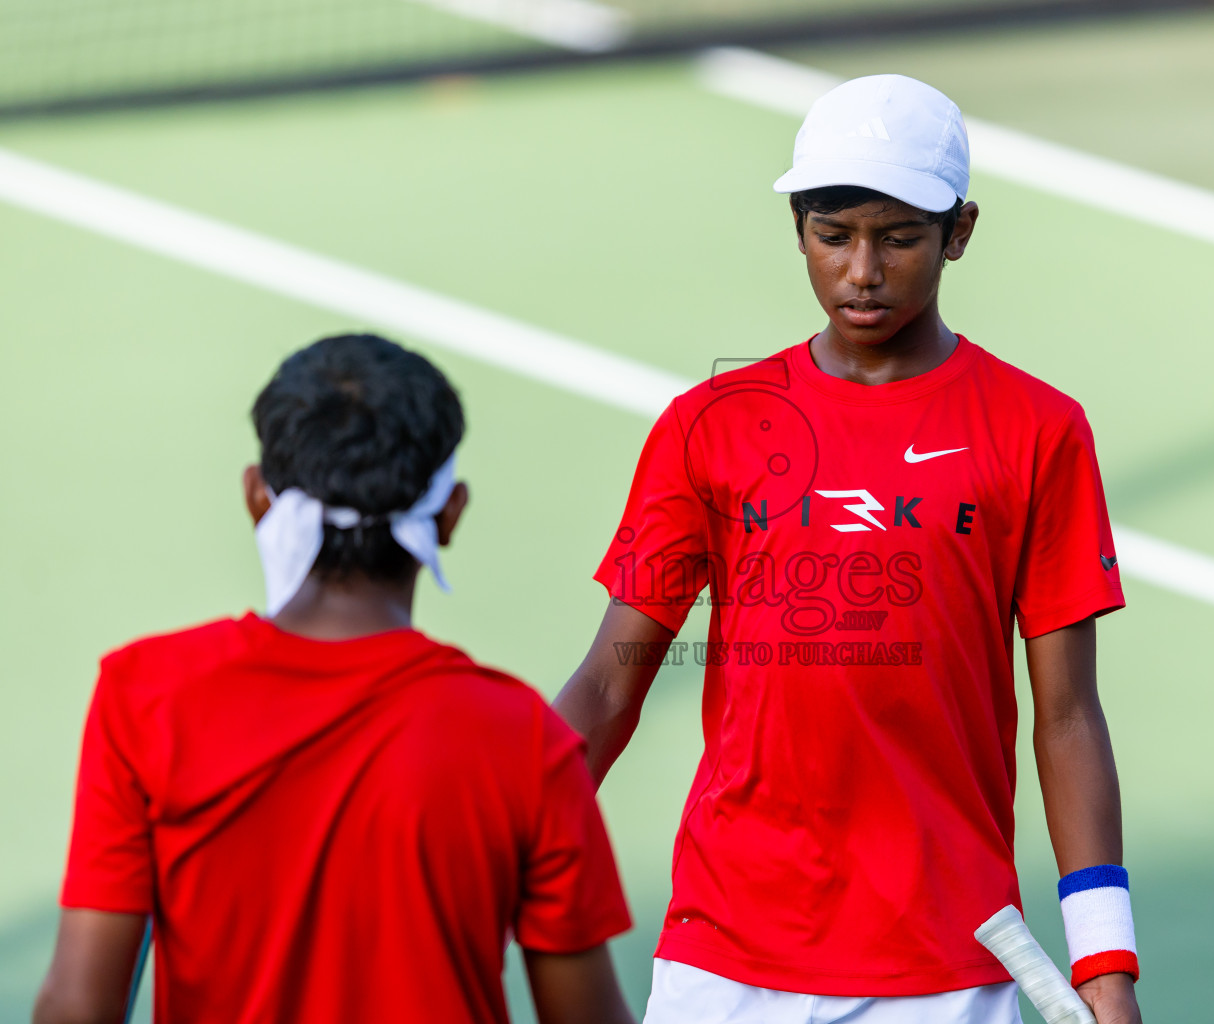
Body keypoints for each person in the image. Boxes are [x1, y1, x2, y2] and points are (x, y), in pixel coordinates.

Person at [554, 76, 1143, 1024]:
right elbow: (612, 680)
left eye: (898, 237)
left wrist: (1105, 969)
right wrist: (504, 835)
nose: (861, 270)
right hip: (723, 957)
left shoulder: (1040, 430)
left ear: (959, 231)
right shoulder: (710, 426)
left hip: (946, 963)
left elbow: (1068, 718)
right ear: (798, 232)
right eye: (834, 237)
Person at [34, 334, 635, 1024]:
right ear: (451, 512)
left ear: (257, 496)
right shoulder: (525, 738)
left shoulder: (142, 694)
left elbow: (78, 1007)